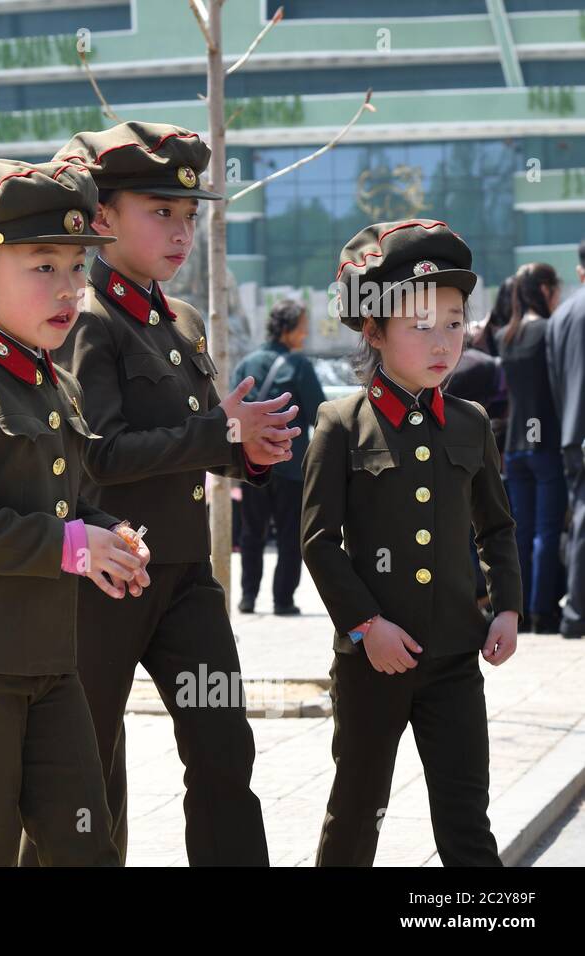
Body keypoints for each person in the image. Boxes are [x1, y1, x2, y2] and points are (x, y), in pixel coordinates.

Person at [37, 122, 295, 866]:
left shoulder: (178, 319)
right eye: (161, 213)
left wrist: (250, 451)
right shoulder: (84, 320)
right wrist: (222, 434)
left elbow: (203, 438)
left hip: (182, 575)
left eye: (189, 216)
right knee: (88, 770)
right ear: (101, 218)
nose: (182, 232)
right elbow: (100, 455)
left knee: (223, 748)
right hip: (107, 578)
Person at [0, 158, 152, 866]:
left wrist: (111, 536)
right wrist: (72, 546)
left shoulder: (59, 381)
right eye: (43, 267)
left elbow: (75, 504)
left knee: (85, 846)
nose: (69, 288)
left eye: (77, 267)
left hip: (49, 660)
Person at [303, 219, 521, 866]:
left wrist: (506, 606)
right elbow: (318, 540)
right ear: (374, 331)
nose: (442, 341)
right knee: (356, 813)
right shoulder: (341, 424)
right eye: (421, 324)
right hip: (373, 662)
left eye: (454, 323)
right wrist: (367, 625)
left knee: (465, 818)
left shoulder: (472, 422)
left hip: (456, 657)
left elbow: (497, 525)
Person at [234, 299, 327, 615]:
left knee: (251, 533)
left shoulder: (246, 364)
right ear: (288, 330)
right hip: (289, 466)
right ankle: (283, 601)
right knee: (290, 536)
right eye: (302, 326)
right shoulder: (300, 366)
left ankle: (248, 597)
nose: (305, 333)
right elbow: (319, 414)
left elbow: (232, 418)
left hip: (251, 465)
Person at [498, 263, 566, 634]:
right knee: (546, 531)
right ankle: (543, 611)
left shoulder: (508, 334)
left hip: (516, 442)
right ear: (544, 288)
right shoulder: (547, 330)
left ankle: (517, 610)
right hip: (545, 441)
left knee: (520, 532)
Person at [546, 239, 585, 639]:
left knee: (579, 521)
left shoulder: (560, 316)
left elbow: (556, 380)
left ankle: (576, 613)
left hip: (572, 432)